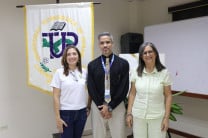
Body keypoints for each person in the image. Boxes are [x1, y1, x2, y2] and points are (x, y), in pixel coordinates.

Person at [87, 32, 130, 138]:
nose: (105, 45)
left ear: (112, 43)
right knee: (98, 135)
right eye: (102, 43)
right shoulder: (92, 65)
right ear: (99, 45)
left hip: (117, 105)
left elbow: (124, 88)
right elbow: (91, 88)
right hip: (98, 106)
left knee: (118, 135)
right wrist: (102, 107)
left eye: (107, 42)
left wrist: (110, 106)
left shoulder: (123, 63)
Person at [126, 42, 172, 138]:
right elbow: (132, 94)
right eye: (144, 53)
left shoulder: (164, 72)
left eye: (150, 52)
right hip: (138, 116)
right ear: (142, 56)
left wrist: (166, 118)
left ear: (155, 53)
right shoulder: (136, 71)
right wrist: (129, 113)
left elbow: (168, 96)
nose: (148, 55)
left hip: (157, 116)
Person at [50, 46, 89, 138]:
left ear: (78, 57)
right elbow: (56, 96)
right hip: (66, 113)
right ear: (65, 58)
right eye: (69, 54)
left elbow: (91, 90)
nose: (72, 56)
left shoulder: (84, 72)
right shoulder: (59, 73)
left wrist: (88, 106)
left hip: (81, 112)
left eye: (74, 54)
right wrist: (57, 118)